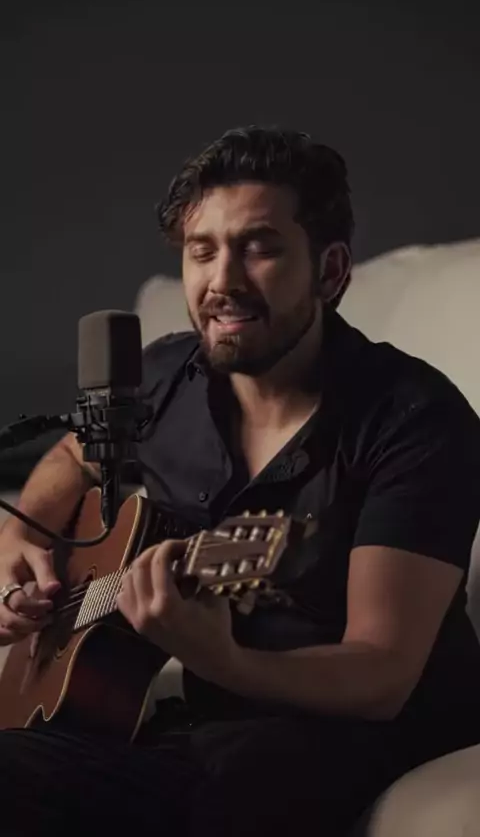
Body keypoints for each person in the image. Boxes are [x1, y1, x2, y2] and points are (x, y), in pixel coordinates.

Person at [0, 126, 480, 837]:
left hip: (346, 735)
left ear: (330, 270)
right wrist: (19, 538)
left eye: (258, 247)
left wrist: (222, 659)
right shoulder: (164, 377)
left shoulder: (415, 418)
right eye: (202, 251)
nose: (221, 282)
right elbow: (73, 458)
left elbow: (381, 673)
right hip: (203, 724)